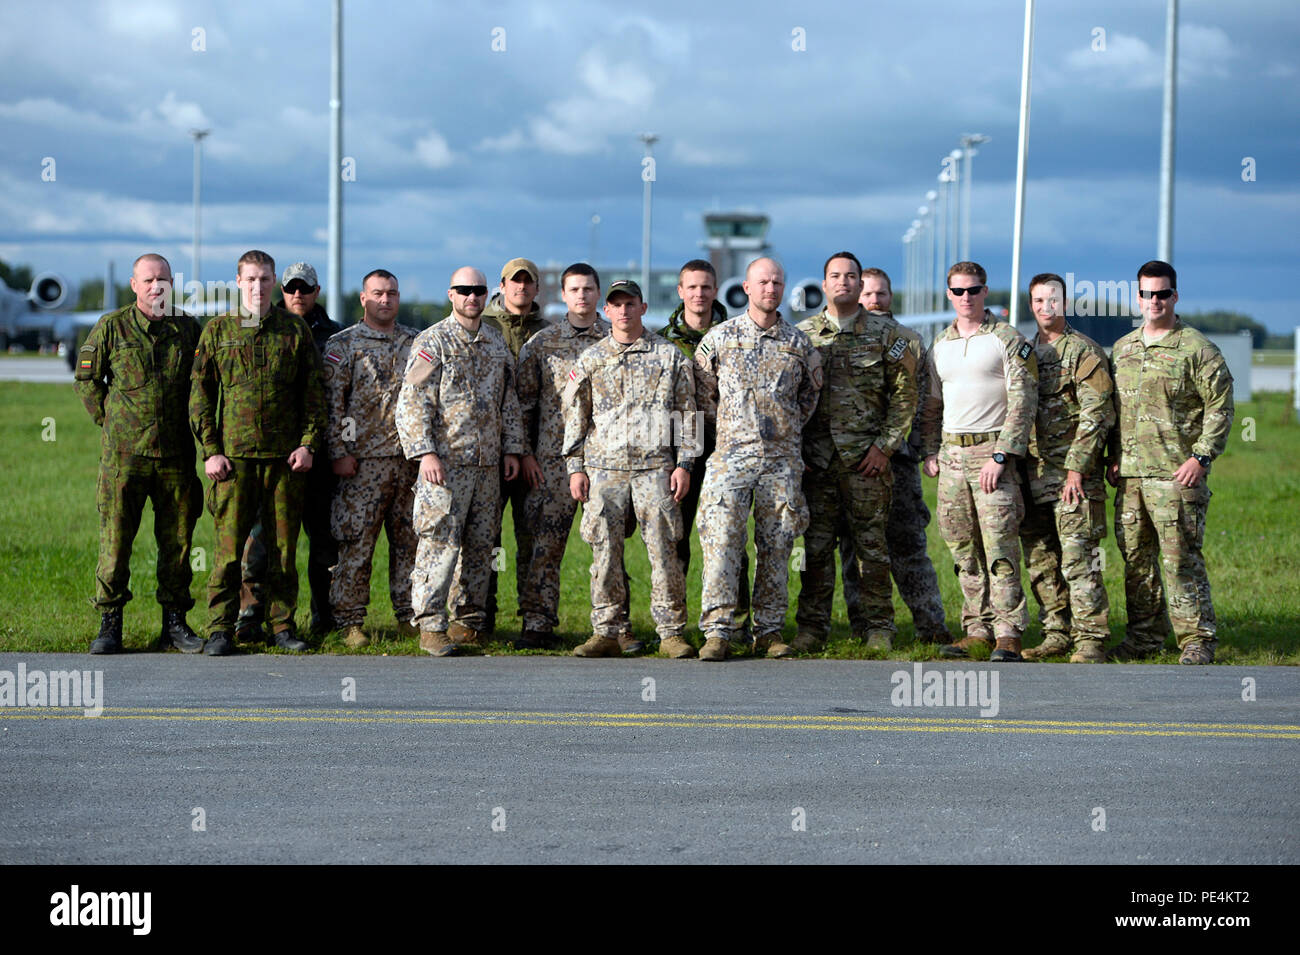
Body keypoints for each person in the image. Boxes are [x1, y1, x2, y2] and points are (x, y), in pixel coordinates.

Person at [190, 250, 327, 655]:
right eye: (250, 279)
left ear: (273, 283)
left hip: (284, 462)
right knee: (228, 553)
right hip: (234, 462)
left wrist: (308, 444)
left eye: (265, 279)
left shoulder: (294, 330)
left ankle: (282, 625)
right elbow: (200, 396)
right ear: (238, 282)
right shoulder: (218, 330)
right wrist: (210, 451)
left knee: (283, 552)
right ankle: (220, 628)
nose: (258, 286)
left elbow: (314, 394)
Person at [74, 253, 204, 654]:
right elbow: (86, 379)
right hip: (124, 459)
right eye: (148, 280)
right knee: (115, 543)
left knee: (178, 544)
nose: (156, 286)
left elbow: (204, 384)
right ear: (134, 285)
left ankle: (174, 624)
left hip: (175, 457)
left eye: (163, 279)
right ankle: (110, 623)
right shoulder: (111, 327)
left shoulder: (187, 329)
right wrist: (111, 421)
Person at [693, 257, 822, 661]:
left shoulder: (799, 344)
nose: (771, 289)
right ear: (746, 287)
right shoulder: (719, 338)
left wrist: (783, 430)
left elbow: (809, 398)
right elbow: (701, 396)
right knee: (722, 542)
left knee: (777, 546)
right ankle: (718, 631)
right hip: (730, 458)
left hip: (781, 461)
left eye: (777, 283)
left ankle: (768, 631)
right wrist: (731, 431)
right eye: (763, 282)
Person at [1106, 260, 1234, 665]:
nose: (1155, 301)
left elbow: (1221, 407)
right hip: (1130, 478)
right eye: (1147, 294)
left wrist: (1201, 456)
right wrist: (1113, 456)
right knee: (1136, 562)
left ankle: (1197, 639)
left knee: (1180, 562)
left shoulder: (1197, 349)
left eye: (1162, 293)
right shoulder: (1123, 349)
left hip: (1177, 476)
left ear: (1175, 296)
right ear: (1138, 297)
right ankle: (1145, 637)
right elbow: (1114, 411)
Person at [564, 280, 698, 657]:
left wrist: (685, 463)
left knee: (664, 552)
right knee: (604, 553)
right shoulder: (591, 358)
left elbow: (689, 414)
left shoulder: (669, 356)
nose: (623, 311)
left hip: (655, 468)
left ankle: (671, 633)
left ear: (643, 307)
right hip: (604, 469)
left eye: (630, 303)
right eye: (616, 305)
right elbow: (576, 416)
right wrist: (575, 467)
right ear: (606, 311)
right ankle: (607, 630)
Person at [395, 267, 524, 656]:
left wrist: (512, 448)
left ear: (487, 295)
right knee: (439, 545)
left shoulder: (495, 341)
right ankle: (431, 625)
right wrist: (425, 453)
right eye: (464, 290)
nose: (472, 296)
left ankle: (468, 622)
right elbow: (412, 401)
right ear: (451, 294)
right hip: (445, 466)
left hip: (487, 466)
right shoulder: (432, 341)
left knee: (481, 547)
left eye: (478, 290)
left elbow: (508, 401)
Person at [795, 253, 918, 653]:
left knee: (872, 549)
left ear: (860, 284)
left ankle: (878, 626)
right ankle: (812, 627)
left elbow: (905, 398)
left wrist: (885, 447)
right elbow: (789, 398)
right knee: (815, 550)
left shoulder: (887, 335)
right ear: (824, 284)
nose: (843, 282)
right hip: (816, 463)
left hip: (867, 463)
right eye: (835, 276)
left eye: (851, 276)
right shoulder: (802, 336)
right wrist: (797, 453)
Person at [918, 261, 1037, 662]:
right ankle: (977, 628)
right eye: (958, 291)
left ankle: (1008, 633)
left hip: (992, 455)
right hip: (952, 456)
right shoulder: (941, 344)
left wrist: (1003, 454)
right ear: (949, 295)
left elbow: (1023, 401)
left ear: (985, 292)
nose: (966, 297)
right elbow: (932, 404)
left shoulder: (1007, 339)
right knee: (962, 548)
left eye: (973, 290)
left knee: (1000, 546)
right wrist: (930, 450)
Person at [843, 268, 952, 644]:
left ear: (891, 297)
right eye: (868, 294)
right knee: (855, 548)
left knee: (908, 545)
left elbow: (925, 403)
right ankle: (863, 627)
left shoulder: (911, 342)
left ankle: (931, 625)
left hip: (899, 461)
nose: (875, 301)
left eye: (882, 294)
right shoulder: (842, 340)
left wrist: (920, 449)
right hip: (854, 462)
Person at [235, 262, 340, 641]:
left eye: (305, 288)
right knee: (262, 539)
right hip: (272, 455)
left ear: (317, 291)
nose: (298, 294)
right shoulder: (263, 326)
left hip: (319, 454)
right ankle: (251, 615)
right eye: (292, 287)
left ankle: (324, 617)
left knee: (323, 541)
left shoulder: (336, 336)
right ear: (282, 290)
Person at [1017, 273, 1116, 663]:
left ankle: (1090, 638)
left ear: (1066, 303)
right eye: (1039, 301)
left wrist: (1077, 469)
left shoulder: (1083, 351)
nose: (1047, 307)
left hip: (1073, 478)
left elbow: (1098, 413)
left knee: (1079, 560)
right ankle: (1056, 632)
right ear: (1031, 305)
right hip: (1033, 476)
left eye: (1054, 299)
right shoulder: (1024, 351)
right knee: (1041, 560)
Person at [513, 264, 611, 650]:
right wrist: (525, 453)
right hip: (552, 461)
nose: (582, 296)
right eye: (574, 290)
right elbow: (523, 406)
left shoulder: (617, 338)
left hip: (604, 460)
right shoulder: (542, 343)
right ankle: (537, 622)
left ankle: (612, 625)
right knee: (544, 544)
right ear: (563, 295)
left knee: (608, 546)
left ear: (598, 293)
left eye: (588, 289)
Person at [322, 269, 420, 648]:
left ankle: (410, 615)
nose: (385, 300)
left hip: (409, 463)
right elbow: (333, 406)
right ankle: (350, 621)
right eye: (377, 293)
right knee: (356, 545)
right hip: (361, 465)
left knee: (410, 544)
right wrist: (339, 453)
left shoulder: (416, 342)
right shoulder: (344, 345)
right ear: (363, 298)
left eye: (391, 293)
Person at [660, 259, 751, 638]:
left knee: (730, 536)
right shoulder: (661, 342)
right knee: (674, 537)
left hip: (725, 447)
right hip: (678, 450)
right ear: (680, 291)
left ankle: (738, 622)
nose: (699, 294)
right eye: (692, 287)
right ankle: (674, 625)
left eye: (706, 287)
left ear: (716, 290)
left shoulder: (738, 335)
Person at [477, 257, 549, 636]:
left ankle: (532, 618)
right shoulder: (482, 327)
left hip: (536, 453)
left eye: (528, 281)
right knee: (489, 538)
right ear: (502, 286)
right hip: (490, 453)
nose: (521, 287)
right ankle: (484, 611)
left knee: (532, 538)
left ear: (536, 288)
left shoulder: (549, 333)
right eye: (514, 281)